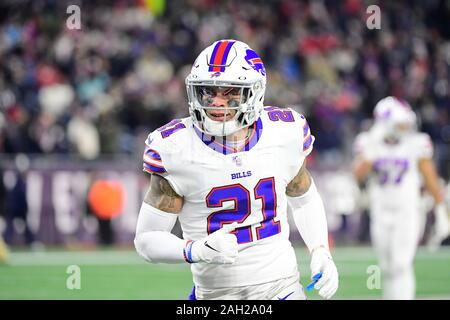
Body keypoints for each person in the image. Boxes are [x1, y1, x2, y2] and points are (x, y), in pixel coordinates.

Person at [134, 39, 339, 300]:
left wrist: (320, 250)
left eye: (230, 92)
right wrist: (195, 250)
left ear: (254, 92)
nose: (217, 102)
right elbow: (147, 238)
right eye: (209, 91)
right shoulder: (176, 148)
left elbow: (304, 199)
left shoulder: (284, 133)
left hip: (281, 288)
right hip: (214, 294)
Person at [352, 96, 450, 300]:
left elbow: (429, 175)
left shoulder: (416, 142)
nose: (405, 127)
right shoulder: (369, 141)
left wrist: (441, 208)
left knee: (402, 264)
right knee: (387, 266)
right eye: (400, 123)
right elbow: (358, 175)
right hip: (380, 209)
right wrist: (372, 151)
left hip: (408, 210)